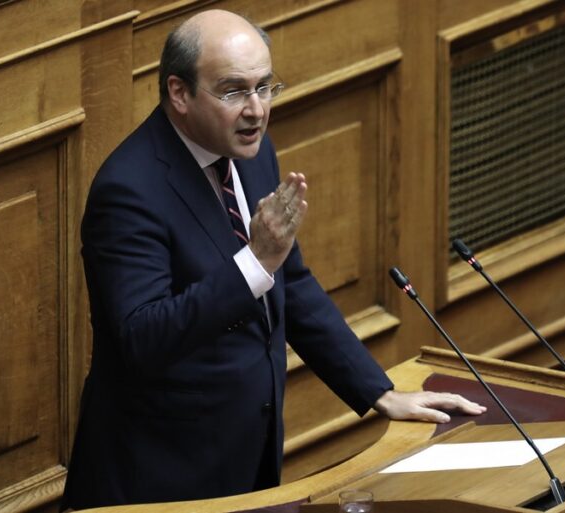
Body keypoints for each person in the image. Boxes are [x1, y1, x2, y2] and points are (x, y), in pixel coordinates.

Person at [61, 9, 485, 510]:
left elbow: (293, 283)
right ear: (179, 92)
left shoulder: (253, 153)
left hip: (249, 456)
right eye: (234, 91)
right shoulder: (128, 190)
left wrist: (380, 392)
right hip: (160, 478)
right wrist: (254, 263)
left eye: (264, 87)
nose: (257, 110)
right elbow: (142, 337)